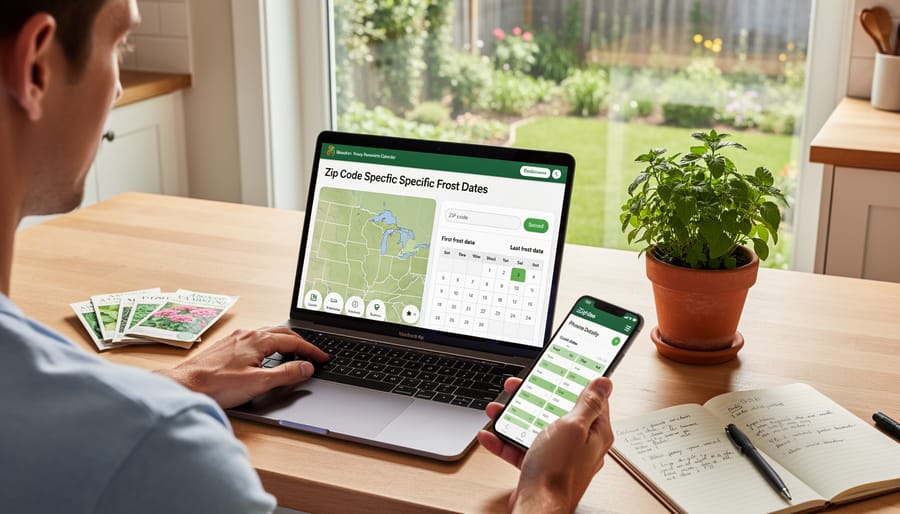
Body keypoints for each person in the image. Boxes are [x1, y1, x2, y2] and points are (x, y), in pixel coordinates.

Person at [0, 1, 615, 512]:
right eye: (121, 47)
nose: (116, 83)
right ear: (35, 66)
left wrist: (177, 381)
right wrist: (547, 492)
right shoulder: (169, 454)